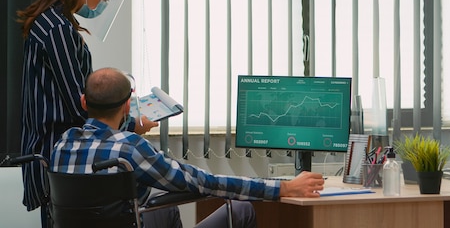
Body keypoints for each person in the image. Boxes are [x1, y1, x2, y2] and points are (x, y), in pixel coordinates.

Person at [50, 67, 325, 228]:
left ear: (84, 103)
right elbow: (203, 182)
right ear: (126, 106)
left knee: (165, 211)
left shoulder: (61, 145)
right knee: (241, 211)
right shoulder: (131, 149)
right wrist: (282, 188)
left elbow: (101, 138)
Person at [16, 0, 158, 227]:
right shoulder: (57, 29)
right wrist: (131, 125)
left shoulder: (52, 22)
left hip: (52, 156)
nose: (103, 6)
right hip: (57, 158)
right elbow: (81, 105)